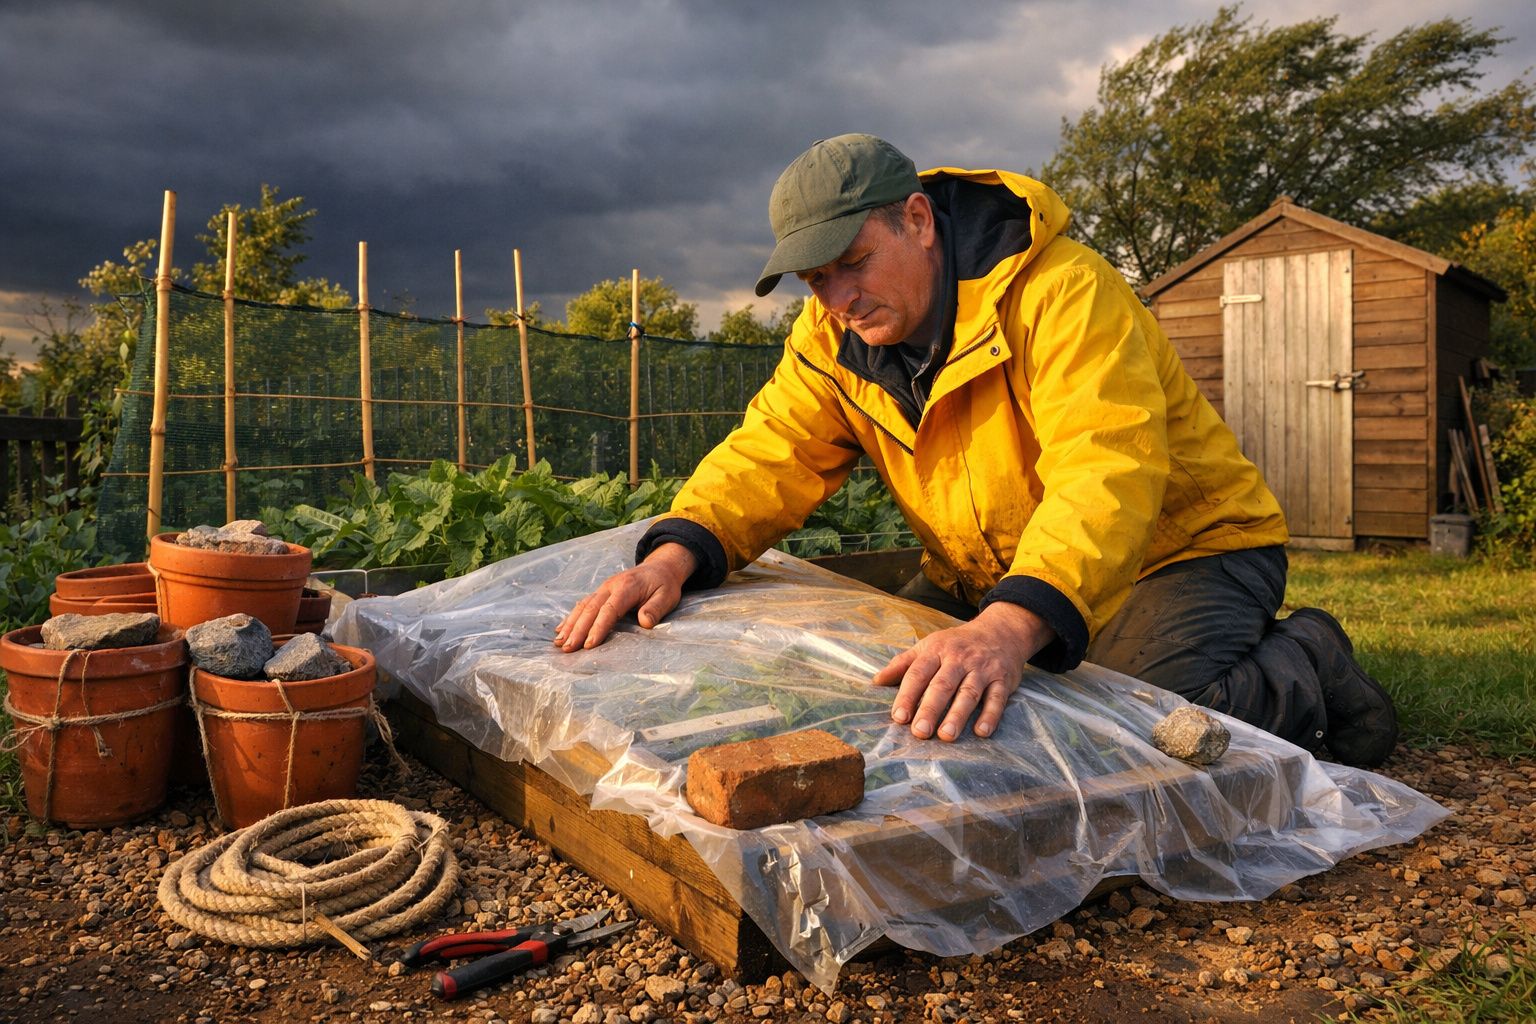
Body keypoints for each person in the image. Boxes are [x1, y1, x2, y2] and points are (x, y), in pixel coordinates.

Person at [555, 133, 1398, 768]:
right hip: (998, 571)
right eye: (816, 280)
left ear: (918, 220)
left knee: (1127, 726)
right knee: (879, 694)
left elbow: (1106, 467)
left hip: (1185, 551)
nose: (839, 298)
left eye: (853, 263)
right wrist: (673, 555)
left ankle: (1308, 662)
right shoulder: (829, 338)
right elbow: (772, 451)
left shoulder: (1062, 292)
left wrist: (1007, 625)